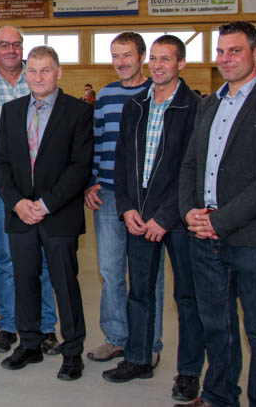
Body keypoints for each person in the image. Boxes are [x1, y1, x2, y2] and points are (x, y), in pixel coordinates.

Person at [177, 22, 256, 407]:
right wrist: (189, 212)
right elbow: (190, 164)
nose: (226, 59)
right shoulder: (209, 104)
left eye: (235, 51)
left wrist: (220, 221)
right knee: (217, 327)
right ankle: (218, 396)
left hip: (254, 240)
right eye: (220, 51)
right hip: (204, 238)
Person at [101, 35, 204, 403]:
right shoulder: (136, 105)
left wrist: (165, 215)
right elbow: (122, 161)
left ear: (181, 64)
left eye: (166, 59)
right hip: (138, 215)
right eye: (155, 59)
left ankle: (188, 374)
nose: (158, 66)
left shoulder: (194, 108)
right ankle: (138, 358)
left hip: (178, 219)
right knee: (139, 292)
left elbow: (192, 170)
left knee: (187, 297)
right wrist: (127, 207)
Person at [0, 46, 93, 381]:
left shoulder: (78, 112)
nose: (38, 77)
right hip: (20, 215)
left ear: (58, 73)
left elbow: (80, 167)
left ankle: (73, 351)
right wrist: (17, 202)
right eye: (32, 71)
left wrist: (46, 204)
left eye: (45, 70)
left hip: (59, 215)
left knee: (65, 284)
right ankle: (30, 344)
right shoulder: (11, 111)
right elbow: (0, 163)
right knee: (24, 281)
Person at [84, 32, 165, 366]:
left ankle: (150, 342)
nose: (121, 62)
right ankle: (116, 338)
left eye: (127, 55)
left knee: (148, 276)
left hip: (145, 198)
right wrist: (91, 181)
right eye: (115, 56)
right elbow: (97, 141)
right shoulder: (105, 95)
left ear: (142, 56)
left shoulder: (157, 92)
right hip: (107, 195)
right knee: (110, 271)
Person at [0, 25, 60, 356]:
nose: (11, 50)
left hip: (41, 186)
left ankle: (46, 327)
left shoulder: (39, 78)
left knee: (42, 258)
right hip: (1, 185)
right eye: (4, 44)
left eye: (16, 44)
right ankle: (8, 325)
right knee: (8, 258)